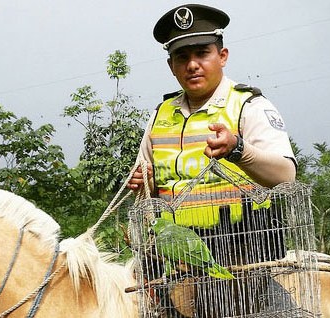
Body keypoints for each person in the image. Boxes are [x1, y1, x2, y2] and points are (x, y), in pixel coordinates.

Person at [127, 4, 299, 317]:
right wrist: (144, 184)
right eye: (182, 57)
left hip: (242, 257)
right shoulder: (159, 116)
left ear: (222, 56)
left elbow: (286, 176)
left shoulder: (249, 105)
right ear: (171, 65)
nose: (192, 65)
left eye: (202, 53)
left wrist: (238, 149)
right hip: (175, 260)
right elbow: (147, 193)